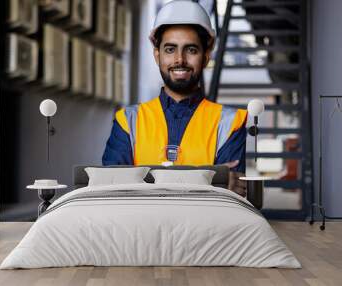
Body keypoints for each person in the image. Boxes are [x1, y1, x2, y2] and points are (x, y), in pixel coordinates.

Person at [102, 0, 247, 196]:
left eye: (191, 50)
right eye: (170, 49)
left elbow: (228, 195)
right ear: (157, 56)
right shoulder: (128, 120)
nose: (180, 59)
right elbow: (113, 189)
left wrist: (143, 181)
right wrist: (209, 181)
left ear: (205, 57)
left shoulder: (231, 123)